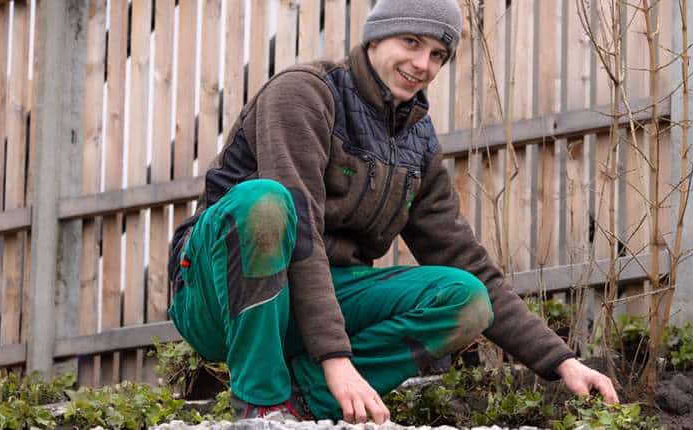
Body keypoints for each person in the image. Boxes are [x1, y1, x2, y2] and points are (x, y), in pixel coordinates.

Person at [166, 0, 617, 423]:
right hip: (217, 295)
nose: (424, 65)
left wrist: (561, 360)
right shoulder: (304, 94)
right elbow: (299, 226)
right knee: (264, 202)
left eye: (439, 54)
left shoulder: (417, 143)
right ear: (376, 38)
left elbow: (463, 257)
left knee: (466, 297)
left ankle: (299, 403)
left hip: (316, 304)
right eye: (412, 43)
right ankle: (261, 405)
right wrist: (336, 358)